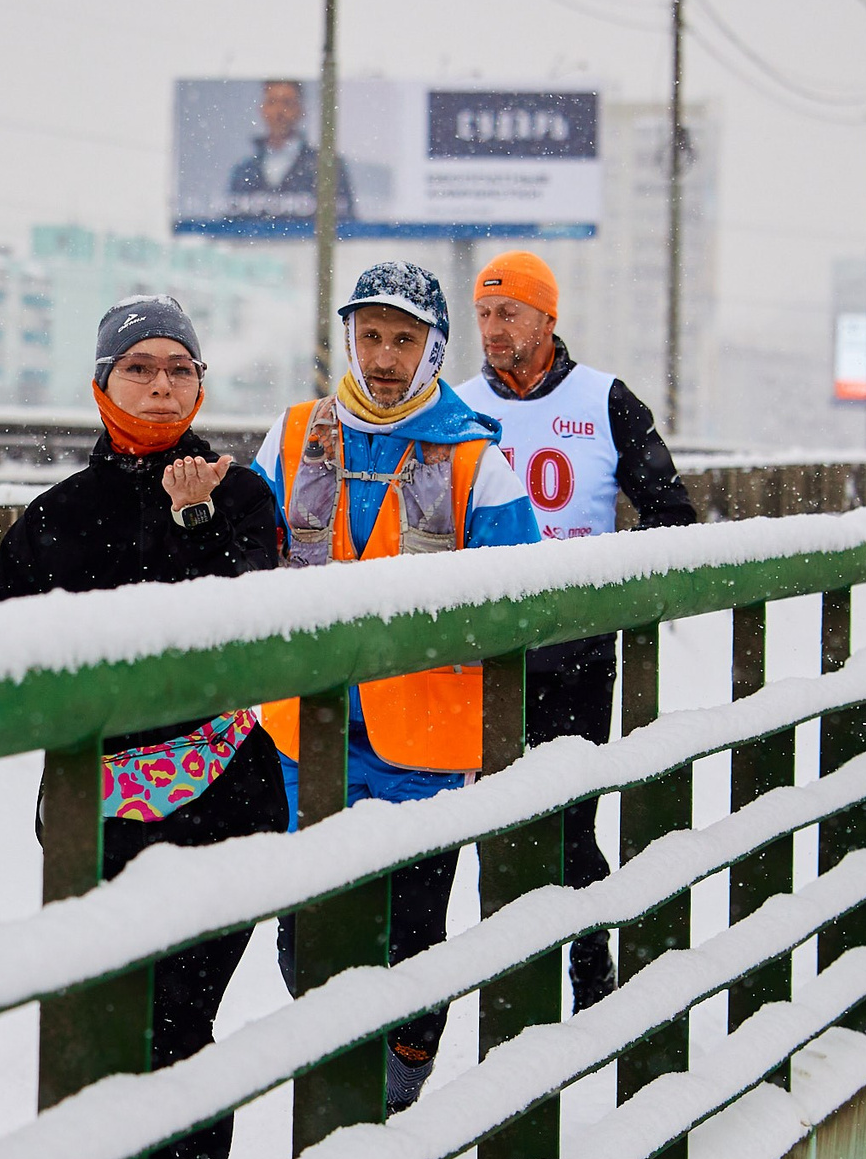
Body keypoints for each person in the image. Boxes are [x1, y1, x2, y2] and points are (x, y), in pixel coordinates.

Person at [0, 294, 287, 1159]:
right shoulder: (57, 515)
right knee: (115, 1009)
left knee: (181, 1006)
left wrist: (191, 520)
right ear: (102, 385)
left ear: (201, 385)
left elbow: (248, 627)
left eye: (179, 368)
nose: (161, 385)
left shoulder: (241, 494)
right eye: (139, 367)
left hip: (225, 786)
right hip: (99, 802)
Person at [254, 261, 541, 1112]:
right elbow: (242, 550)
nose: (383, 357)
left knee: (411, 936)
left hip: (423, 747)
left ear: (434, 349)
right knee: (302, 936)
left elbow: (524, 597)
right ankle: (343, 1079)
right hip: (303, 734)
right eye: (370, 335)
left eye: (404, 339)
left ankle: (399, 1076)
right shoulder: (294, 435)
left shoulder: (478, 459)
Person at [453, 250, 698, 1012]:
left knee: (569, 822)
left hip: (577, 655)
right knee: (496, 826)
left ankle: (590, 969)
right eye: (484, 314)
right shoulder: (457, 407)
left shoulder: (605, 400)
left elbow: (672, 514)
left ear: (547, 318)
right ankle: (512, 994)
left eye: (509, 313)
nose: (494, 328)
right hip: (487, 656)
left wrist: (602, 583)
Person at [226, 78, 355, 222]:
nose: (279, 112)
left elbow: (344, 225)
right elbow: (232, 224)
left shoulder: (325, 166)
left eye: (287, 103)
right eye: (272, 102)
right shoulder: (244, 170)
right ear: (262, 109)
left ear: (301, 110)